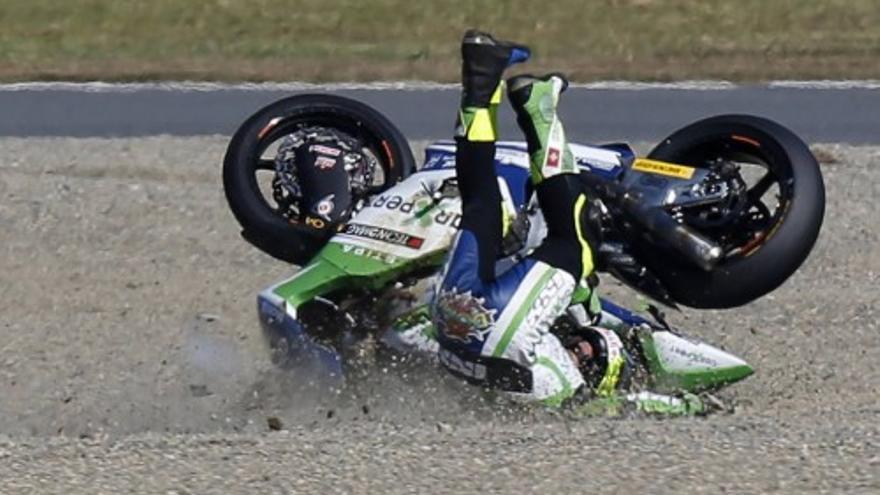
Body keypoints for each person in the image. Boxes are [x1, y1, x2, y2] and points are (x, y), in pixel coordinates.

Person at [431, 30, 704, 414]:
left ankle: (538, 111)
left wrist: (688, 407)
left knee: (576, 244)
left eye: (591, 357)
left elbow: (627, 406)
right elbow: (577, 308)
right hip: (451, 318)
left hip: (475, 326)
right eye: (587, 342)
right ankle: (481, 78)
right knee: (480, 203)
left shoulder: (573, 394)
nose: (580, 347)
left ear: (596, 380)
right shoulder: (540, 353)